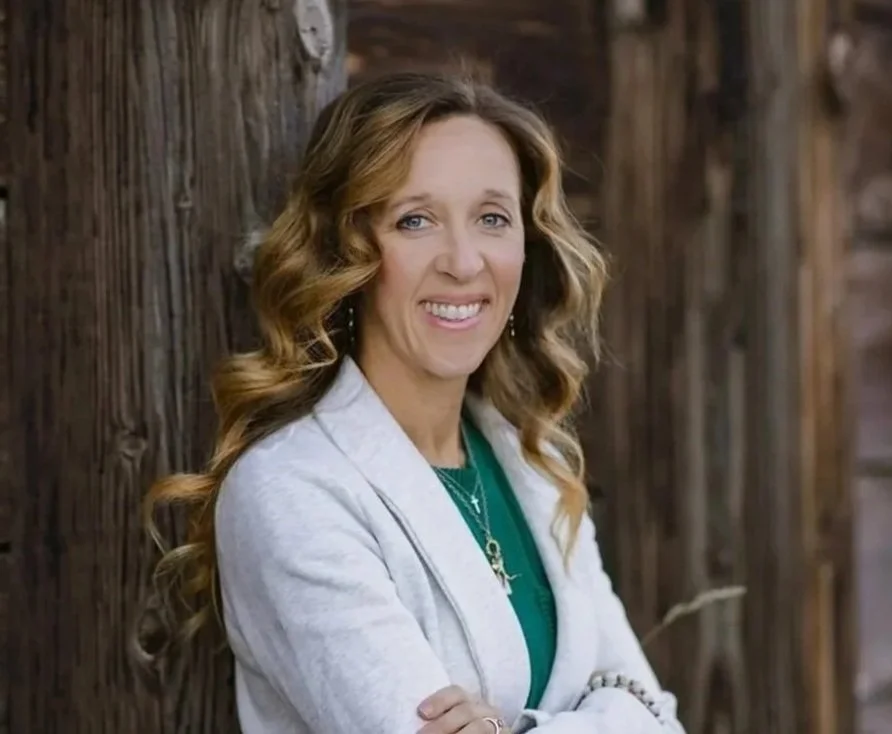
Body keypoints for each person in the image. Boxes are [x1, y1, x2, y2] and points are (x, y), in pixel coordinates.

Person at [143, 71, 686, 734]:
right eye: (415, 220)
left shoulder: (532, 463)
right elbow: (636, 711)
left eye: (492, 218)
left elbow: (661, 717)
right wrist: (610, 715)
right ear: (348, 252)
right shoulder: (291, 490)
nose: (463, 261)